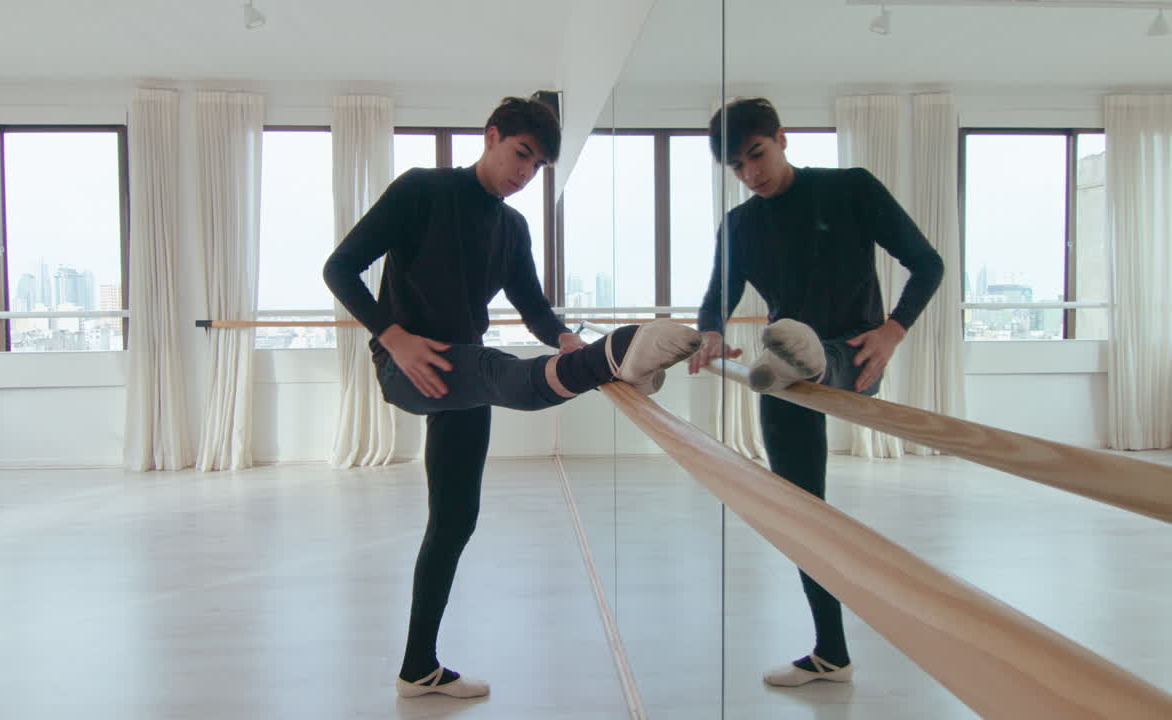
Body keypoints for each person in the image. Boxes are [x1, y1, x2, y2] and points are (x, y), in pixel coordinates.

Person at [323, 96, 701, 699]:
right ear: (491, 136)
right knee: (505, 374)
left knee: (454, 522)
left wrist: (567, 338)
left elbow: (534, 308)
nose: (524, 173)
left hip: (462, 375)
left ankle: (418, 668)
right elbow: (339, 268)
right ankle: (612, 356)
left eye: (537, 166)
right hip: (412, 367)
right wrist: (394, 339)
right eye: (521, 155)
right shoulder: (421, 189)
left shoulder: (512, 227)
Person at [687, 97, 944, 687]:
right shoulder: (742, 224)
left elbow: (927, 263)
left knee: (805, 354)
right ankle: (831, 652)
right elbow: (715, 299)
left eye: (757, 154)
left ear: (782, 139)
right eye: (736, 167)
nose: (751, 173)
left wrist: (894, 330)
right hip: (783, 373)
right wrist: (707, 335)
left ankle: (799, 354)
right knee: (801, 513)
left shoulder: (850, 188)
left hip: (854, 355)